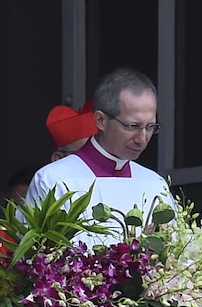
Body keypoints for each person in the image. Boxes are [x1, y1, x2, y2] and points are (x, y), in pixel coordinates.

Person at [25, 68, 173, 247]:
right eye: (132, 126)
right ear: (101, 120)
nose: (142, 139)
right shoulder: (53, 180)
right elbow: (33, 257)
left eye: (150, 127)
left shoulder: (155, 184)